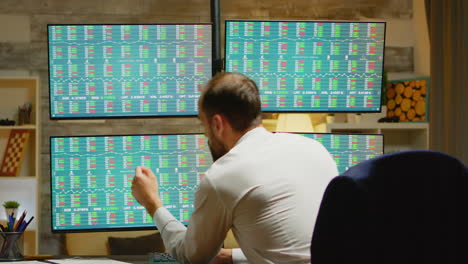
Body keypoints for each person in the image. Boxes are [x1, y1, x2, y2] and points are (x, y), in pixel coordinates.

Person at [131, 72, 338, 264]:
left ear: (218, 124)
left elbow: (190, 257)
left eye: (204, 126)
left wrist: (152, 203)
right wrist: (233, 255)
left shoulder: (223, 176)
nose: (206, 135)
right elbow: (301, 249)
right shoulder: (314, 149)